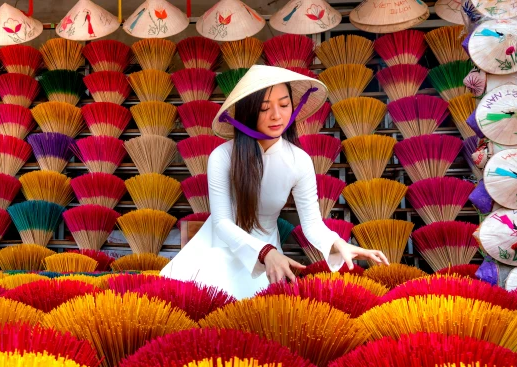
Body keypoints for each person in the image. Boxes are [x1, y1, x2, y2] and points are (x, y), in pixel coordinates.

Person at [160, 65, 389, 299]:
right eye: (264, 108)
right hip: (218, 251)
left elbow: (311, 224)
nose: (277, 116)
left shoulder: (299, 160)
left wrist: (338, 243)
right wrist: (265, 252)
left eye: (284, 104)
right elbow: (222, 223)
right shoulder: (223, 156)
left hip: (270, 259)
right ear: (249, 112)